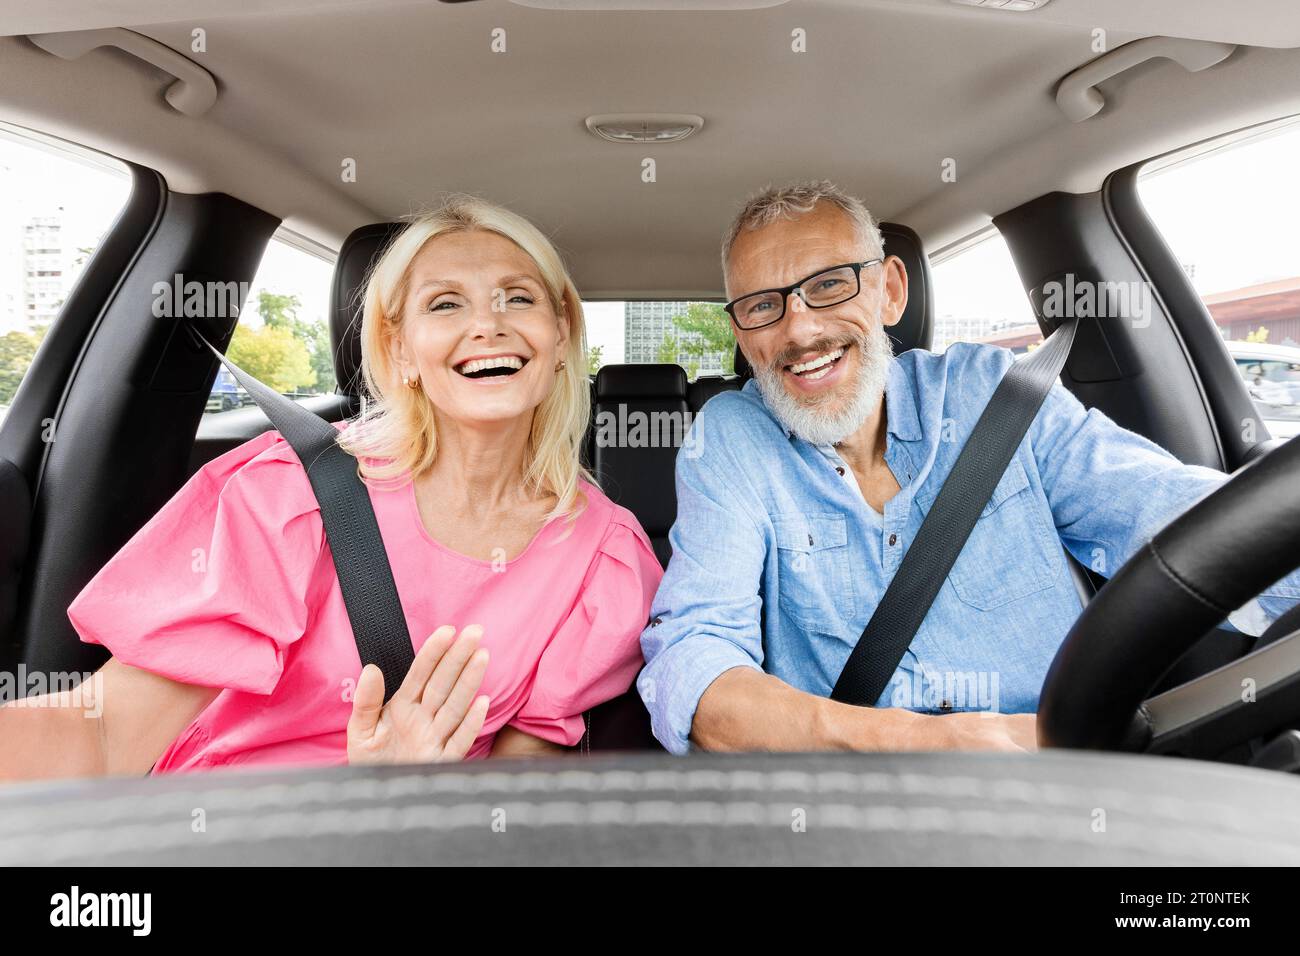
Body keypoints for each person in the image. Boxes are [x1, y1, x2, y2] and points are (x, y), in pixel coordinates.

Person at [0, 195, 662, 779]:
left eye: (519, 297)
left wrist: (413, 805)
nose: (487, 324)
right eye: (445, 303)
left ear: (561, 335)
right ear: (399, 350)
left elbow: (524, 780)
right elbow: (105, 733)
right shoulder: (286, 498)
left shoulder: (603, 558)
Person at [638, 179, 1300, 755]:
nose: (800, 329)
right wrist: (911, 742)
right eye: (761, 305)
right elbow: (693, 665)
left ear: (890, 290)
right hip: (855, 813)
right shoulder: (731, 440)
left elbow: (1180, 526)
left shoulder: (997, 397)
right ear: (741, 332)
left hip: (1059, 791)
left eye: (830, 284)